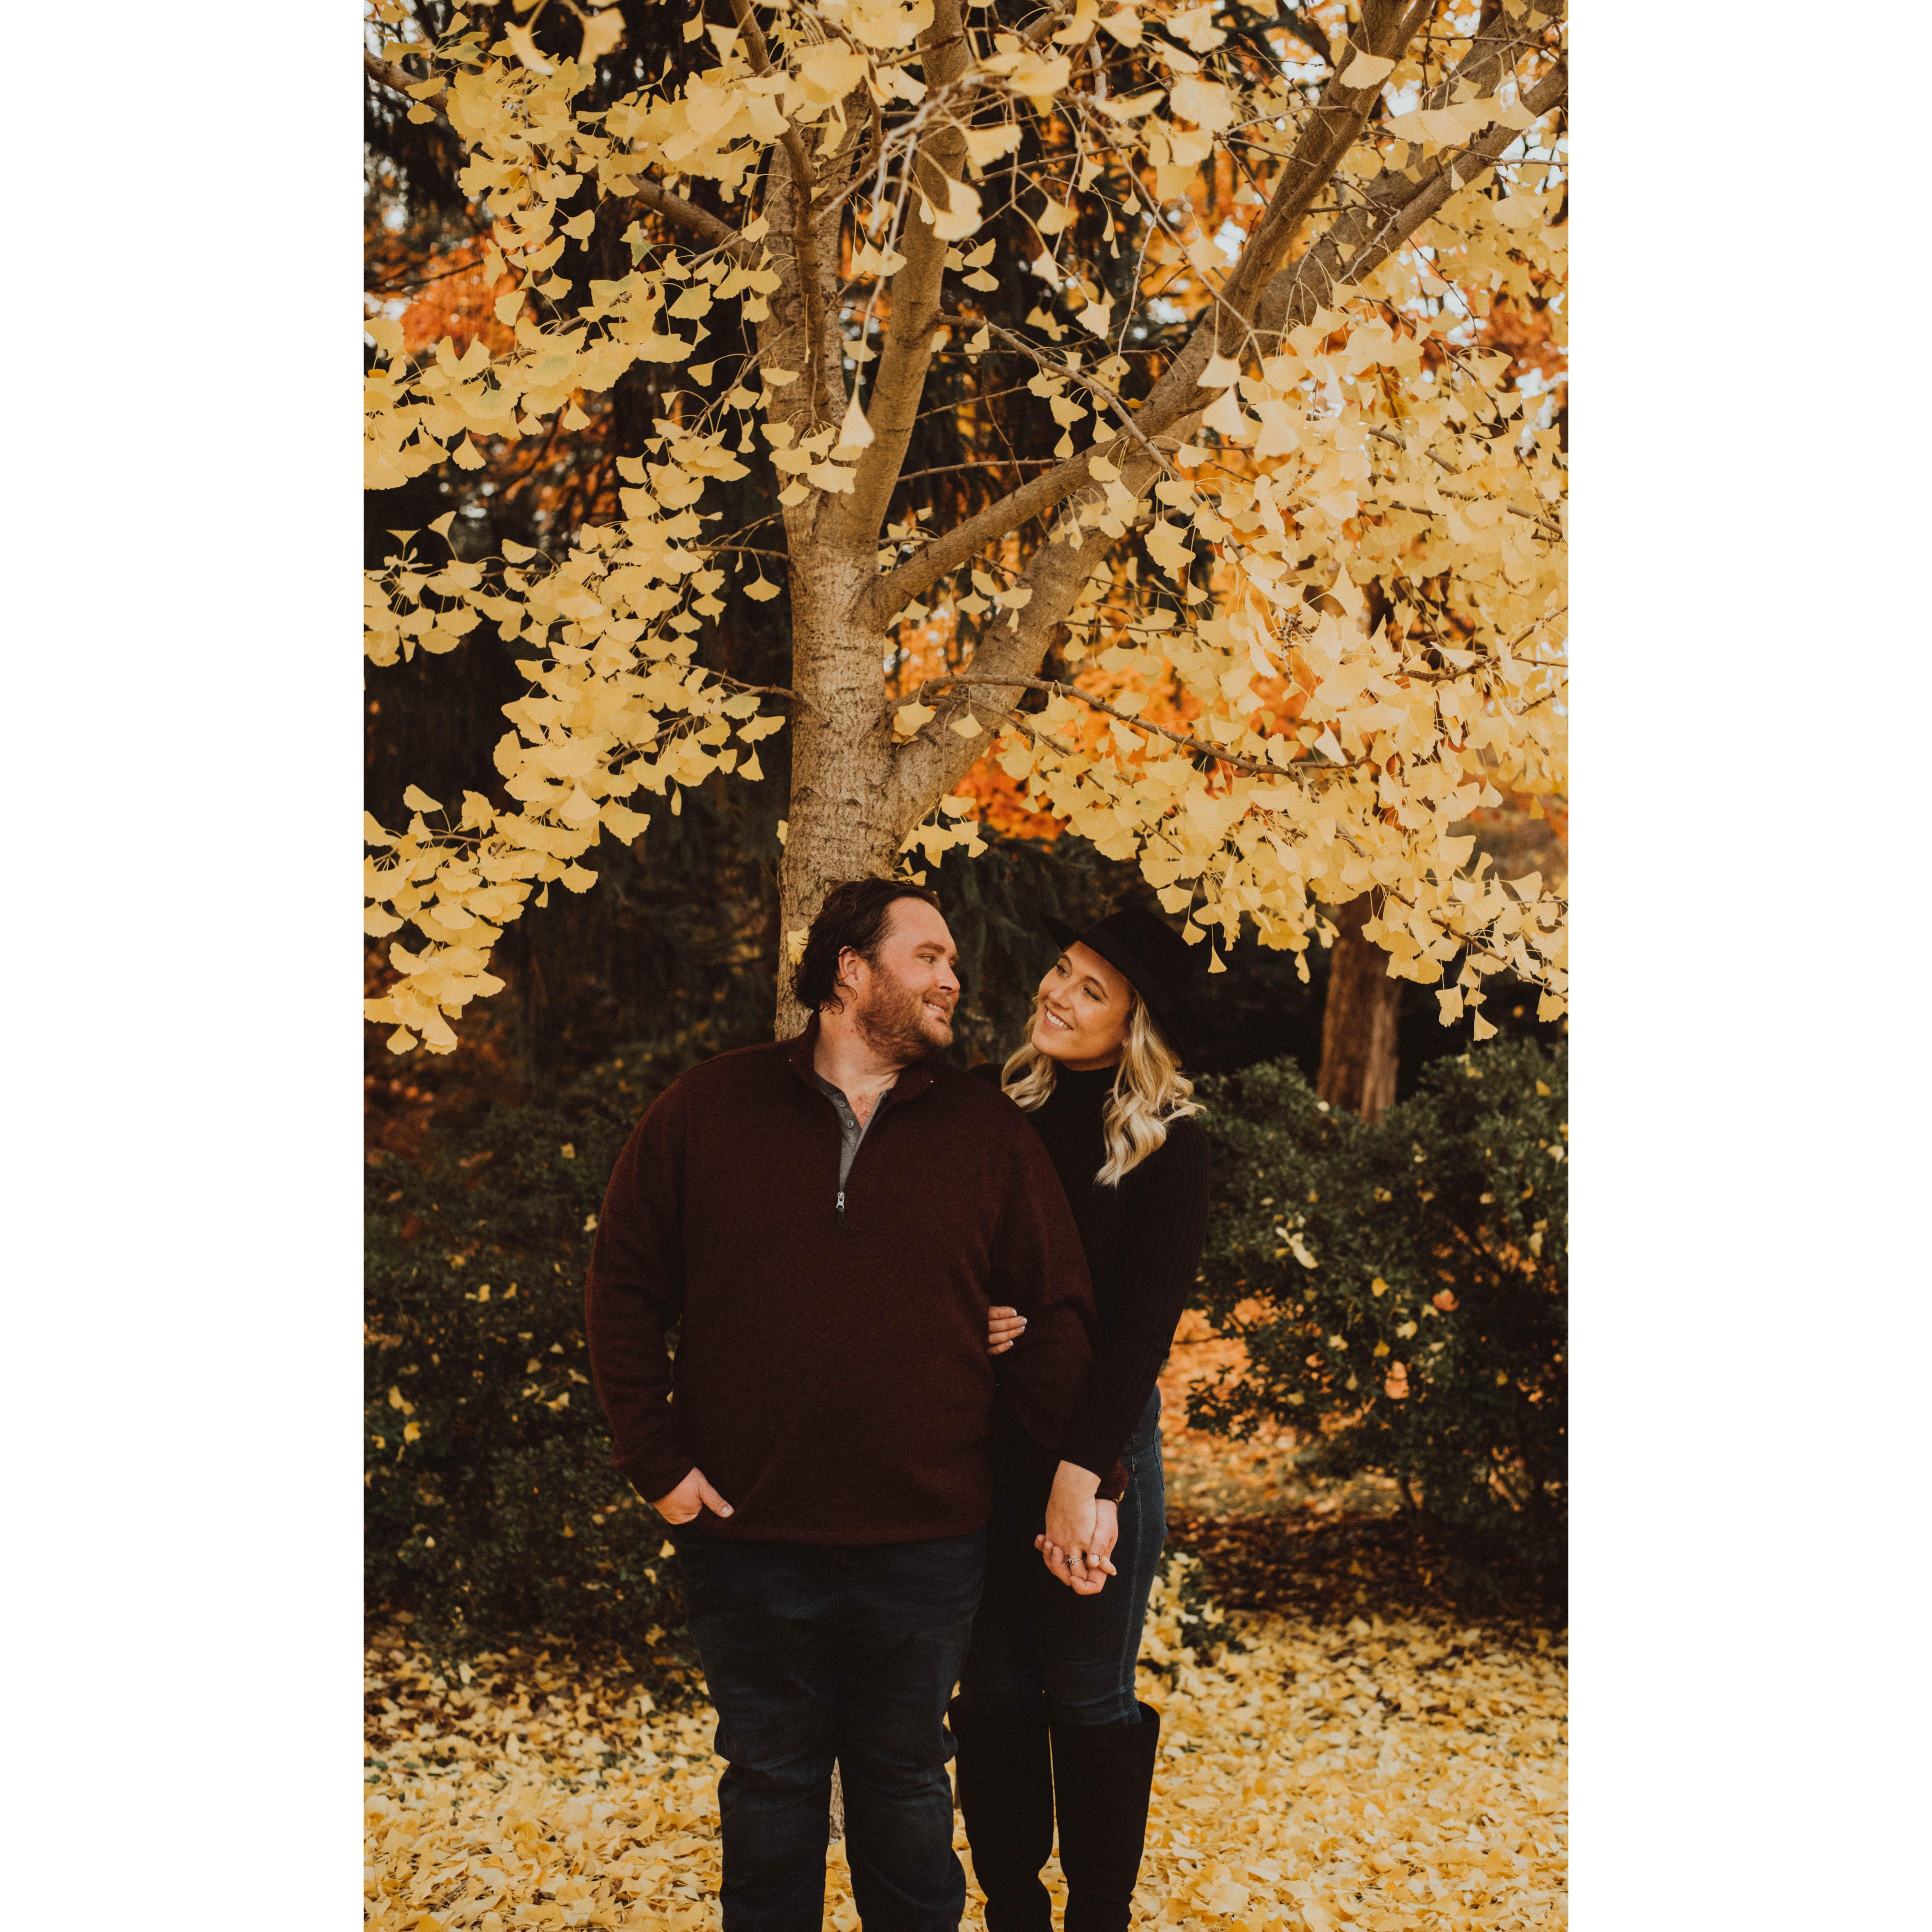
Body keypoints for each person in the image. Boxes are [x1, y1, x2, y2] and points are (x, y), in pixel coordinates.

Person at [584, 877, 1123, 1932]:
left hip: (926, 1544)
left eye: (954, 962)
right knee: (770, 1791)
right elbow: (625, 1289)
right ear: (849, 970)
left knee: (907, 1788)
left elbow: (1057, 1315)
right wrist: (658, 1466)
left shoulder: (983, 1130)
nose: (954, 978)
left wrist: (1088, 1481)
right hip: (748, 1536)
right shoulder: (708, 1109)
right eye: (928, 956)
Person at [953, 907, 1212, 1932]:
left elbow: (1143, 1331)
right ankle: (1013, 1912)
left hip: (1101, 1453)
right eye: (1061, 969)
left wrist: (1082, 1475)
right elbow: (923, 1257)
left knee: (1088, 1695)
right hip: (980, 1451)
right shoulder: (986, 1106)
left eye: (1091, 989)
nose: (1057, 993)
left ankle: (1099, 1918)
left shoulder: (1168, 1144)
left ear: (1135, 1026)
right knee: (993, 1694)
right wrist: (963, 1313)